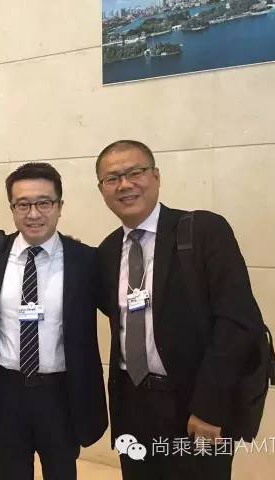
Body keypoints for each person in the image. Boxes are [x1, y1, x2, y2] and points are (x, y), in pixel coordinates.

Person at [95, 140, 264, 479]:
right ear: (102, 190)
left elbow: (237, 324)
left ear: (156, 176)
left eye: (135, 172)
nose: (125, 184)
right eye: (112, 178)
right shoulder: (108, 251)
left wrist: (210, 407)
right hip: (133, 406)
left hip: (194, 406)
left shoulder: (203, 231)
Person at [0, 162, 108, 480]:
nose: (33, 214)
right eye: (23, 204)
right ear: (12, 209)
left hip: (60, 395)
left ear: (60, 206)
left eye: (44, 203)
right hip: (5, 393)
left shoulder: (85, 260)